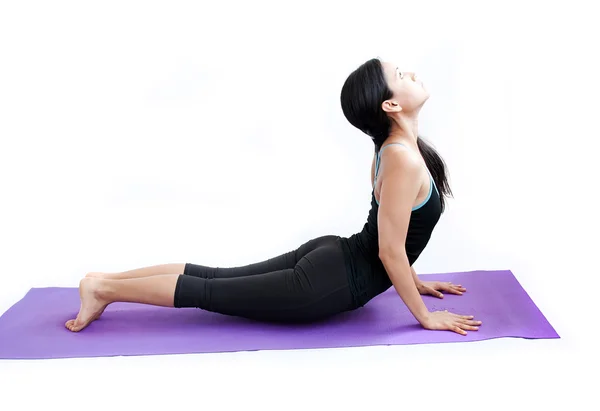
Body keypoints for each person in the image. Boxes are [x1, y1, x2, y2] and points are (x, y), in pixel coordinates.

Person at [66, 58, 482, 336]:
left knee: (214, 278)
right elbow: (390, 251)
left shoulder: (396, 150)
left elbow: (391, 239)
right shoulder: (402, 158)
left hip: (332, 258)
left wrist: (415, 281)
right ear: (391, 104)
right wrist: (425, 318)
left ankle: (102, 282)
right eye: (401, 75)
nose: (411, 74)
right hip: (328, 280)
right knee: (209, 291)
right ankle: (104, 289)